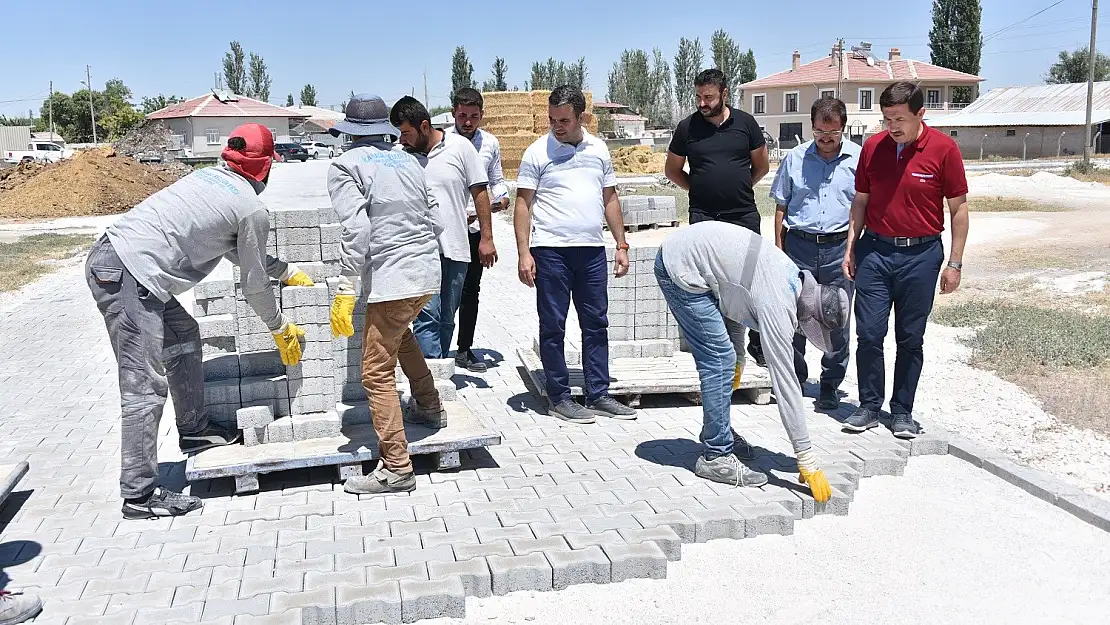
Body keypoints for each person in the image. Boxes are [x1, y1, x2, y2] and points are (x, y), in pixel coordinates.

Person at [86, 123, 314, 519]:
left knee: (184, 334)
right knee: (144, 387)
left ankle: (194, 430)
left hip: (118, 264)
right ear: (264, 166)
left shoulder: (208, 177)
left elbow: (234, 250)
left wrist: (285, 271)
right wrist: (279, 327)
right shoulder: (251, 207)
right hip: (128, 276)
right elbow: (253, 285)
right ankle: (139, 495)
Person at [655, 221, 844, 499]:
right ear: (809, 316)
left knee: (727, 358)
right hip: (681, 267)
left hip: (696, 258)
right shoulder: (779, 304)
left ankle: (717, 432)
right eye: (810, 328)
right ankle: (715, 457)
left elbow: (735, 297)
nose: (804, 332)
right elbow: (785, 382)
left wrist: (741, 357)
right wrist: (806, 457)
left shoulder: (791, 278)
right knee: (719, 359)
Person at [326, 94, 447, 495]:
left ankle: (396, 467)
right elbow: (438, 218)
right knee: (401, 334)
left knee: (376, 371)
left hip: (394, 280)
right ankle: (429, 407)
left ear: (349, 131)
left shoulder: (344, 166)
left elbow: (356, 230)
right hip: (427, 274)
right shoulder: (410, 160)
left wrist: (347, 285)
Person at [842, 81, 969, 439]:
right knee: (868, 332)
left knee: (910, 338)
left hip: (922, 256)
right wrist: (851, 246)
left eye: (898, 119)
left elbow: (958, 210)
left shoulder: (945, 149)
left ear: (920, 114)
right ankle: (868, 406)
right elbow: (861, 202)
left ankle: (902, 412)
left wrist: (955, 264)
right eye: (886, 119)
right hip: (876, 253)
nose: (891, 127)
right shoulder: (872, 148)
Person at [514, 85, 637, 423]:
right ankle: (560, 397)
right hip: (551, 251)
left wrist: (621, 244)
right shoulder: (537, 153)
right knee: (553, 325)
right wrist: (524, 253)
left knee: (596, 323)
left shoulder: (599, 150)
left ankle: (599, 393)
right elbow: (522, 205)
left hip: (592, 253)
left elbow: (609, 198)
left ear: (582, 117)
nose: (557, 126)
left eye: (564, 120)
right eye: (552, 119)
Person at [666, 69, 772, 367]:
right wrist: (698, 189)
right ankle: (716, 349)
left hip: (742, 216)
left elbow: (761, 166)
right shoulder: (687, 128)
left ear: (724, 94)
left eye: (709, 97)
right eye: (698, 97)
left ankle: (757, 343)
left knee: (749, 281)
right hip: (703, 217)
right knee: (708, 283)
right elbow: (672, 171)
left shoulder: (746, 124)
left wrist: (738, 187)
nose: (702, 102)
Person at [770, 96, 860, 411]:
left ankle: (830, 386)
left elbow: (861, 210)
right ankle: (793, 381)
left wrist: (852, 249)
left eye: (832, 133)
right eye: (819, 131)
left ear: (843, 129)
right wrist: (780, 252)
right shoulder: (794, 159)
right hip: (799, 248)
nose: (825, 138)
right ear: (812, 127)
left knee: (837, 317)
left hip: (839, 250)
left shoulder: (858, 160)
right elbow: (781, 207)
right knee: (793, 316)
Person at [389, 96, 495, 361]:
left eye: (406, 133)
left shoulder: (461, 148)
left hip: (456, 248)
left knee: (447, 317)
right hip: (418, 252)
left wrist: (487, 238)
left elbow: (480, 192)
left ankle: (438, 374)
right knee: (427, 316)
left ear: (424, 126)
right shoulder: (398, 156)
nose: (402, 140)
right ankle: (430, 383)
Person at [447, 87, 511, 373]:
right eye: (463, 116)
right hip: (446, 231)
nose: (468, 122)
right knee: (443, 291)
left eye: (474, 116)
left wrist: (502, 196)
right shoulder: (441, 143)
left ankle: (464, 349)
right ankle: (435, 348)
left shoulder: (490, 144)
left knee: (470, 290)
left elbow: (496, 180)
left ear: (482, 115)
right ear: (453, 114)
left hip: (475, 229)